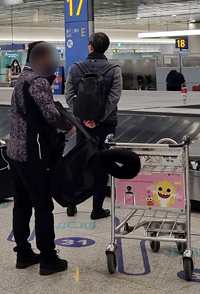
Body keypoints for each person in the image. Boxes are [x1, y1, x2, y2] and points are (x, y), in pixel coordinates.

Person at [8, 41, 74, 276]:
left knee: (22, 204)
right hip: (31, 153)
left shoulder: (21, 78)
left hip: (14, 152)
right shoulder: (37, 81)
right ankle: (48, 258)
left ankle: (23, 253)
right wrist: (68, 125)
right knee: (43, 205)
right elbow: (49, 114)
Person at [63, 32, 122, 220]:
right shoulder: (114, 70)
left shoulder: (75, 69)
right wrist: (99, 119)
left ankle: (71, 204)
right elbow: (114, 98)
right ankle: (97, 209)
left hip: (82, 126)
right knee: (102, 164)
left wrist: (83, 117)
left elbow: (69, 95)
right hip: (106, 125)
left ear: (90, 47)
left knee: (80, 162)